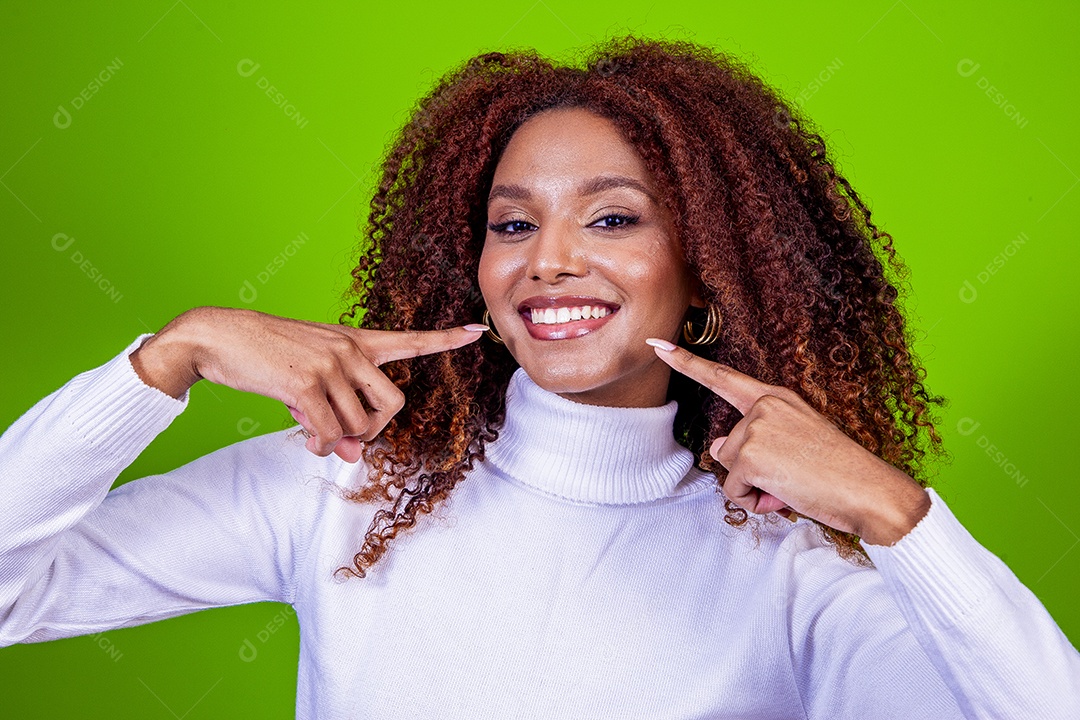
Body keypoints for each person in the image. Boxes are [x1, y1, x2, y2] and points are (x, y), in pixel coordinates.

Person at [1, 35, 1078, 719]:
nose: (548, 261)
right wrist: (166, 360)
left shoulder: (791, 572)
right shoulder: (344, 488)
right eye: (513, 225)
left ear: (706, 269)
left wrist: (897, 516)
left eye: (612, 219)